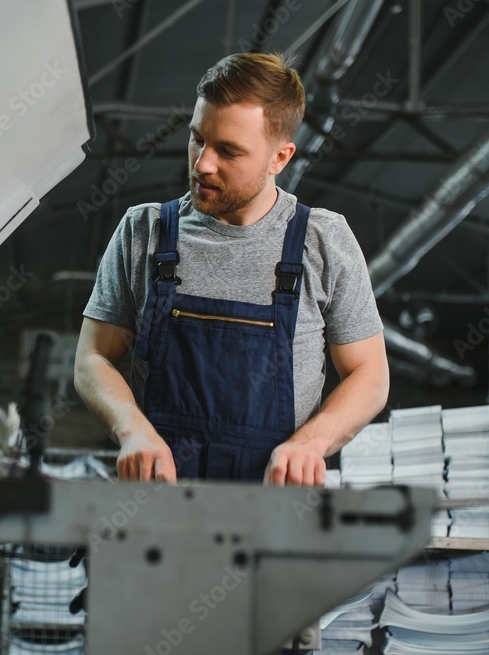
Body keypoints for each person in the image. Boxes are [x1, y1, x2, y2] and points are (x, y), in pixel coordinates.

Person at [73, 52, 388, 487]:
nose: (203, 163)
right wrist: (132, 430)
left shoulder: (323, 242)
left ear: (280, 157)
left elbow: (369, 375)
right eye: (197, 139)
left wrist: (312, 443)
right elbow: (93, 357)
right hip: (157, 502)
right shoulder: (143, 231)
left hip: (273, 506)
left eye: (228, 151)